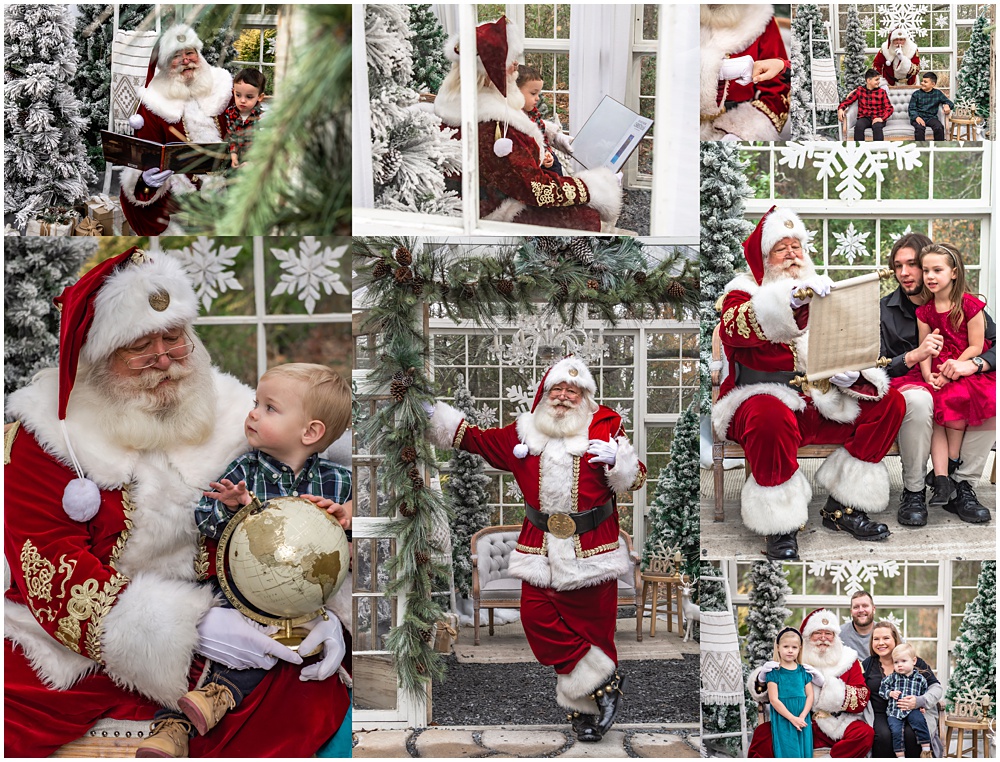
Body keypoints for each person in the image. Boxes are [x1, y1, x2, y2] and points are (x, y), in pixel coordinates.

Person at [4, 248, 349, 757]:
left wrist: (320, 607)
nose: (164, 359)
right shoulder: (45, 440)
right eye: (140, 346)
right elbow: (55, 574)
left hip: (236, 610)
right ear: (96, 359)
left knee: (313, 687)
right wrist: (196, 628)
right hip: (81, 640)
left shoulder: (240, 416)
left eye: (174, 338)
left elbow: (293, 507)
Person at [424, 357, 646, 742]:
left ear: (585, 397)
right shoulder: (523, 432)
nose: (563, 397)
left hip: (593, 549)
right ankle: (605, 682)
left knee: (593, 630)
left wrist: (620, 462)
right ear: (544, 394)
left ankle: (584, 709)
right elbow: (473, 438)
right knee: (536, 618)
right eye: (556, 390)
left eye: (572, 391)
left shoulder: (607, 425)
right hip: (540, 548)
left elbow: (637, 478)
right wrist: (428, 413)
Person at [136, 363, 352, 756]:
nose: (253, 413)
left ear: (311, 432)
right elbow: (204, 519)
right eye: (255, 402)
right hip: (236, 593)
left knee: (289, 648)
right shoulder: (243, 472)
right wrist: (235, 509)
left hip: (298, 601)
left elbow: (361, 535)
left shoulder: (339, 482)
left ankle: (217, 699)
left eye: (270, 408)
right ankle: (172, 724)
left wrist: (349, 513)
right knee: (210, 652)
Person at [713, 206, 905, 560]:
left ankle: (843, 506)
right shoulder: (742, 293)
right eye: (781, 248)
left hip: (821, 400)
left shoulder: (826, 291)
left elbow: (850, 343)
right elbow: (733, 327)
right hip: (764, 398)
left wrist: (853, 374)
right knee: (767, 415)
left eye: (797, 246)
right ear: (764, 258)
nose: (791, 254)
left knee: (889, 402)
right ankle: (781, 526)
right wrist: (791, 300)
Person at [434, 17, 621, 231]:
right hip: (496, 209)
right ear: (489, 71)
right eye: (510, 60)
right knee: (586, 217)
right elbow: (535, 189)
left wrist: (552, 134)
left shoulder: (458, 101)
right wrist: (590, 188)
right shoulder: (494, 125)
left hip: (480, 196)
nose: (516, 66)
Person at [881, 232, 995, 526]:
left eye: (912, 264)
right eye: (897, 266)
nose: (905, 273)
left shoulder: (965, 304)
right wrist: (913, 357)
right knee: (920, 400)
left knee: (991, 395)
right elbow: (875, 366)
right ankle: (915, 489)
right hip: (911, 383)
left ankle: (961, 485)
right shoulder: (885, 311)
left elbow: (991, 344)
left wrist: (976, 364)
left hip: (955, 374)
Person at [119, 25, 234, 236]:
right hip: (179, 200)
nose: (186, 60)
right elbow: (143, 157)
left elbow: (243, 129)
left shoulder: (224, 89)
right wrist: (146, 181)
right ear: (165, 63)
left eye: (190, 52)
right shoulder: (154, 104)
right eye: (176, 55)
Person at [914, 243, 996, 507]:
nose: (930, 276)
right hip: (936, 370)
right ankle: (942, 476)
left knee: (955, 400)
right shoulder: (924, 311)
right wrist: (929, 376)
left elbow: (975, 346)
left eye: (937, 269)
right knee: (933, 404)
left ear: (954, 273)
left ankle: (951, 465)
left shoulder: (971, 305)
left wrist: (951, 372)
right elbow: (923, 348)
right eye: (926, 270)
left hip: (964, 369)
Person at [749, 609, 874, 757]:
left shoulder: (848, 659)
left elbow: (861, 698)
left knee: (864, 734)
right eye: (817, 633)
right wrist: (761, 680)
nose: (823, 638)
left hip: (837, 722)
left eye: (828, 633)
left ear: (835, 636)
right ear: (807, 637)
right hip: (798, 719)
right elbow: (768, 695)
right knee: (763, 735)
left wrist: (828, 688)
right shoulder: (794, 655)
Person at [700, 4, 790, 140]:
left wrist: (745, 132)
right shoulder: (675, 19)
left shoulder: (760, 18)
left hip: (739, 125)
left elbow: (777, 90)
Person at [862, 620, 944, 758]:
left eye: (886, 638)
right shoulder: (868, 664)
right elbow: (858, 689)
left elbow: (936, 688)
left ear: (895, 640)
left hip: (912, 710)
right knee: (883, 737)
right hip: (880, 713)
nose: (880, 643)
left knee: (912, 735)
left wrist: (920, 701)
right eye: (876, 639)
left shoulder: (912, 661)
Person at [516, 65, 573, 176]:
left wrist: (550, 147)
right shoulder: (516, 121)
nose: (537, 98)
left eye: (538, 93)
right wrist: (542, 157)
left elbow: (542, 133)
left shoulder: (532, 113)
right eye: (533, 93)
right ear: (515, 91)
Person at [766, 627, 815, 758]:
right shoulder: (774, 672)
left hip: (802, 717)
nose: (790, 650)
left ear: (799, 649)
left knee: (804, 751)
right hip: (784, 718)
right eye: (786, 646)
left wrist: (802, 716)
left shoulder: (803, 671)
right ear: (778, 647)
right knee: (788, 751)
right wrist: (792, 718)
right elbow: (774, 700)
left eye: (794, 647)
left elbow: (810, 696)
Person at [879, 643, 933, 758]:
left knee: (920, 722)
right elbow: (882, 689)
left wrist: (922, 706)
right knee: (896, 731)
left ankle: (926, 750)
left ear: (913, 661)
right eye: (896, 662)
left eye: (903, 661)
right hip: (895, 711)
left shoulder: (920, 679)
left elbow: (923, 694)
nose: (899, 665)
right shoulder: (893, 677)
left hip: (912, 709)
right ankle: (900, 756)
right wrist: (890, 693)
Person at [225, 68, 266, 169]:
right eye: (238, 95)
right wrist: (234, 156)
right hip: (237, 162)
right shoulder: (230, 113)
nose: (242, 100)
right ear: (233, 92)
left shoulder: (261, 117)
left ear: (259, 97)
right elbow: (232, 137)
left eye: (249, 97)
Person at [838, 69, 894, 141]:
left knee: (877, 127)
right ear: (868, 80)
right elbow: (847, 101)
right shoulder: (860, 90)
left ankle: (879, 150)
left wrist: (881, 118)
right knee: (858, 126)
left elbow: (889, 108)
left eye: (879, 79)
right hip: (864, 117)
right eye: (876, 80)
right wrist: (841, 108)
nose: (879, 82)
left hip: (878, 117)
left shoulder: (882, 92)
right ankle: (859, 150)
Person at [909, 72, 953, 141]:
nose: (922, 83)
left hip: (931, 118)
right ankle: (921, 149)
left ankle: (937, 148)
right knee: (920, 128)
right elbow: (911, 109)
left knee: (939, 127)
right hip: (919, 117)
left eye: (925, 82)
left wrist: (947, 105)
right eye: (922, 81)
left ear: (933, 84)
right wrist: (916, 117)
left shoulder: (938, 93)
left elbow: (950, 103)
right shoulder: (916, 94)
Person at [839, 590, 876, 658]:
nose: (861, 610)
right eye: (856, 607)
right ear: (851, 612)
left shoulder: (885, 631)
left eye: (865, 606)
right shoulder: (839, 634)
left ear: (873, 609)